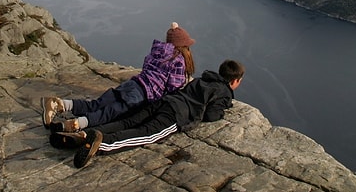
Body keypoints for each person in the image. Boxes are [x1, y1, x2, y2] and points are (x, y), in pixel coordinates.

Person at [57, 59, 245, 168]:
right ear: (235, 80)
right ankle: (102, 143)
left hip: (164, 102)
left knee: (128, 122)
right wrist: (222, 112)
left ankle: (83, 136)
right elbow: (211, 114)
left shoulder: (201, 80)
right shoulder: (223, 91)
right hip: (176, 115)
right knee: (146, 134)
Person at [41, 22, 196, 132]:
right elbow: (172, 87)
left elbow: (147, 68)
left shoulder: (156, 52)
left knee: (97, 104)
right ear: (184, 46)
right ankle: (75, 124)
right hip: (141, 96)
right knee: (109, 114)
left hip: (132, 84)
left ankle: (61, 104)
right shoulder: (178, 61)